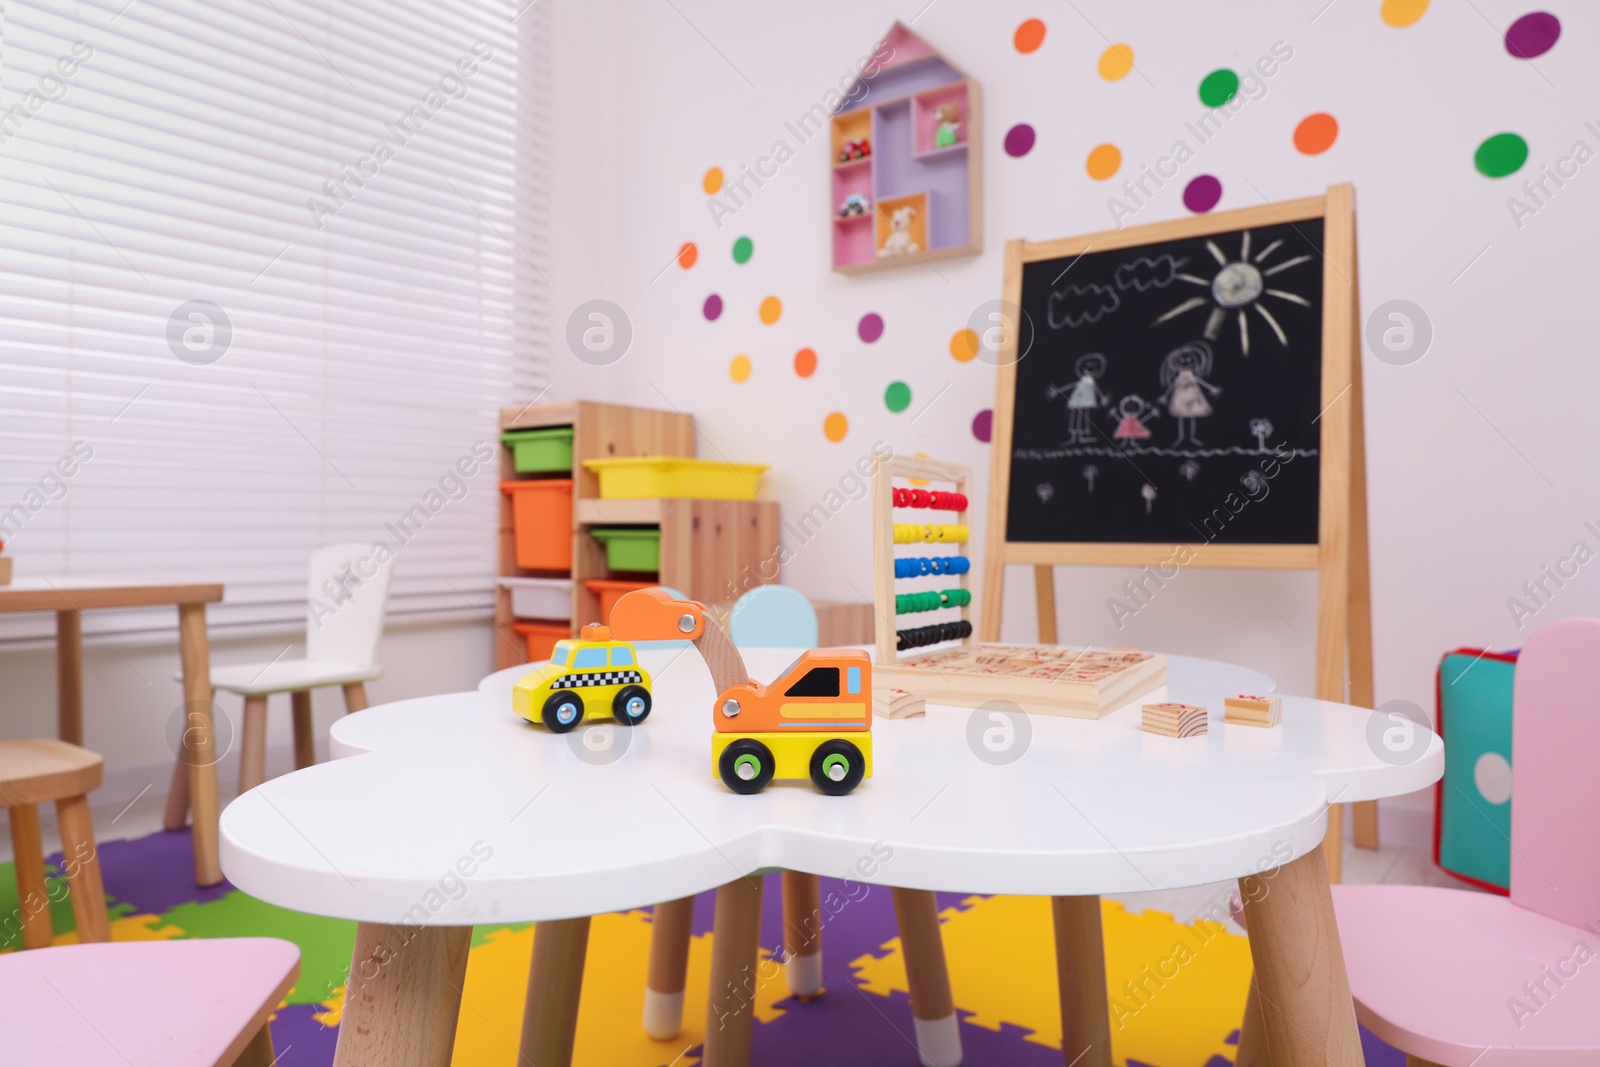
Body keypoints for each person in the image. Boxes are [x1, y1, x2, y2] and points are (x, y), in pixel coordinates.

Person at [1158, 341, 1222, 446]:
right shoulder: (1180, 376)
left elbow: (1199, 381)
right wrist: (1165, 396)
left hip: (1192, 396)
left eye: (1188, 360)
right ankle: (1181, 437)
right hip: (1181, 397)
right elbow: (1173, 385)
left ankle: (1191, 437)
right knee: (1182, 416)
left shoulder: (1191, 375)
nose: (1185, 362)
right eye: (1182, 360)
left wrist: (1211, 388)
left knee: (1191, 415)